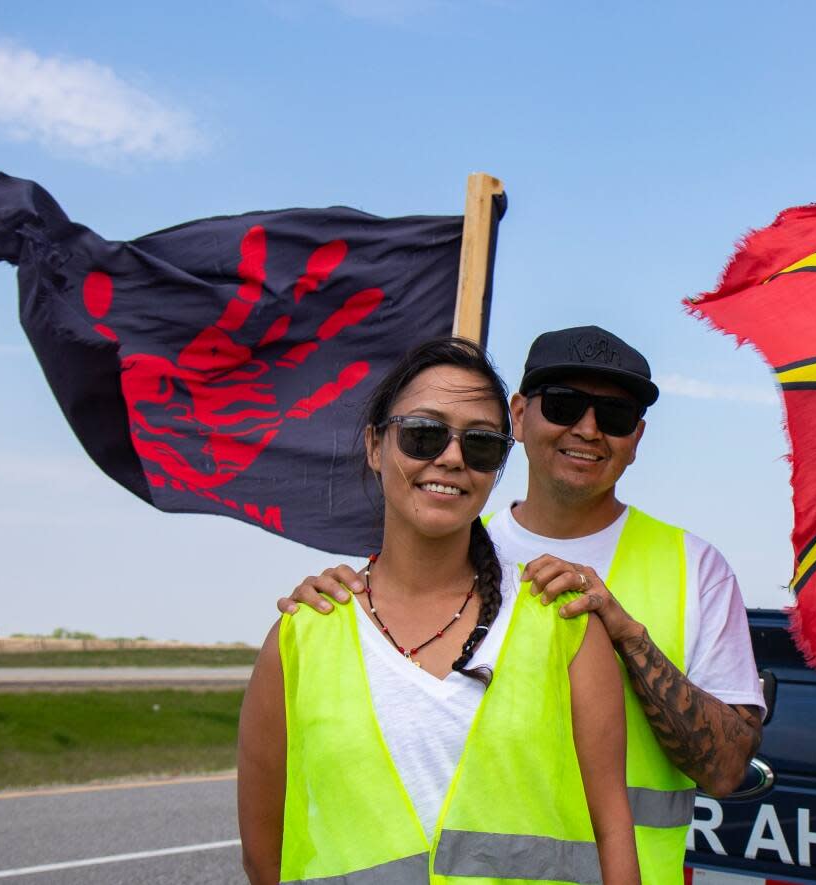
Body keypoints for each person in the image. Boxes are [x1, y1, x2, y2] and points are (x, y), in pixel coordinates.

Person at [283, 325, 766, 883]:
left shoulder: (696, 569)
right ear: (517, 415)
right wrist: (329, 611)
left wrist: (629, 637)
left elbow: (728, 769)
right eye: (563, 405)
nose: (587, 429)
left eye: (615, 416)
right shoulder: (449, 536)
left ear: (637, 437)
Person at [240, 337, 639, 884]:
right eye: (424, 434)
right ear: (376, 446)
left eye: (480, 444)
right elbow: (265, 859)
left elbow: (613, 834)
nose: (451, 458)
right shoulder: (299, 640)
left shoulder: (563, 626)